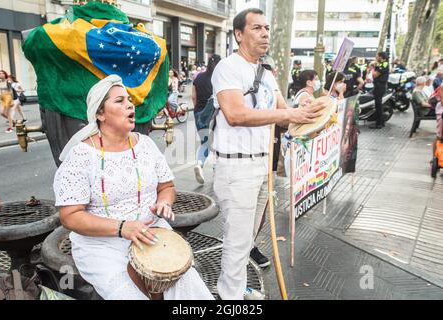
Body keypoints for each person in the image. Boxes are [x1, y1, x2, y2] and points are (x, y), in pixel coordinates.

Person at [53, 75, 213, 300]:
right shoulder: (81, 156)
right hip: (102, 246)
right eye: (119, 101)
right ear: (100, 114)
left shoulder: (145, 144)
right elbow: (70, 217)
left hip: (152, 234)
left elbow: (166, 186)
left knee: (189, 290)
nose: (129, 104)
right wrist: (122, 228)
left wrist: (164, 202)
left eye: (129, 99)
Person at [211, 8, 325, 300]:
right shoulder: (228, 67)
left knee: (247, 238)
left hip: (263, 166)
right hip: (236, 168)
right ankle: (230, 297)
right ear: (239, 34)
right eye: (256, 28)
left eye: (266, 28)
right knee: (236, 241)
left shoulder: (267, 75)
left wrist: (312, 108)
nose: (264, 33)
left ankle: (234, 287)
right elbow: (235, 114)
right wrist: (288, 112)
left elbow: (285, 116)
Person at [192, 54, 221, 184]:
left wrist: (199, 112)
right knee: (217, 142)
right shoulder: (220, 78)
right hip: (214, 115)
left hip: (199, 113)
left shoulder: (198, 77)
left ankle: (199, 163)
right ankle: (216, 170)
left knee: (205, 142)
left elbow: (193, 97)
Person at [370, 51, 389, 129]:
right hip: (378, 86)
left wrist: (373, 68)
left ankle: (379, 124)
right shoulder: (382, 64)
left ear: (381, 57)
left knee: (378, 105)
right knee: (378, 105)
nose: (376, 58)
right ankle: (380, 122)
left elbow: (374, 75)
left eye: (377, 56)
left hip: (380, 86)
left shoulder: (384, 64)